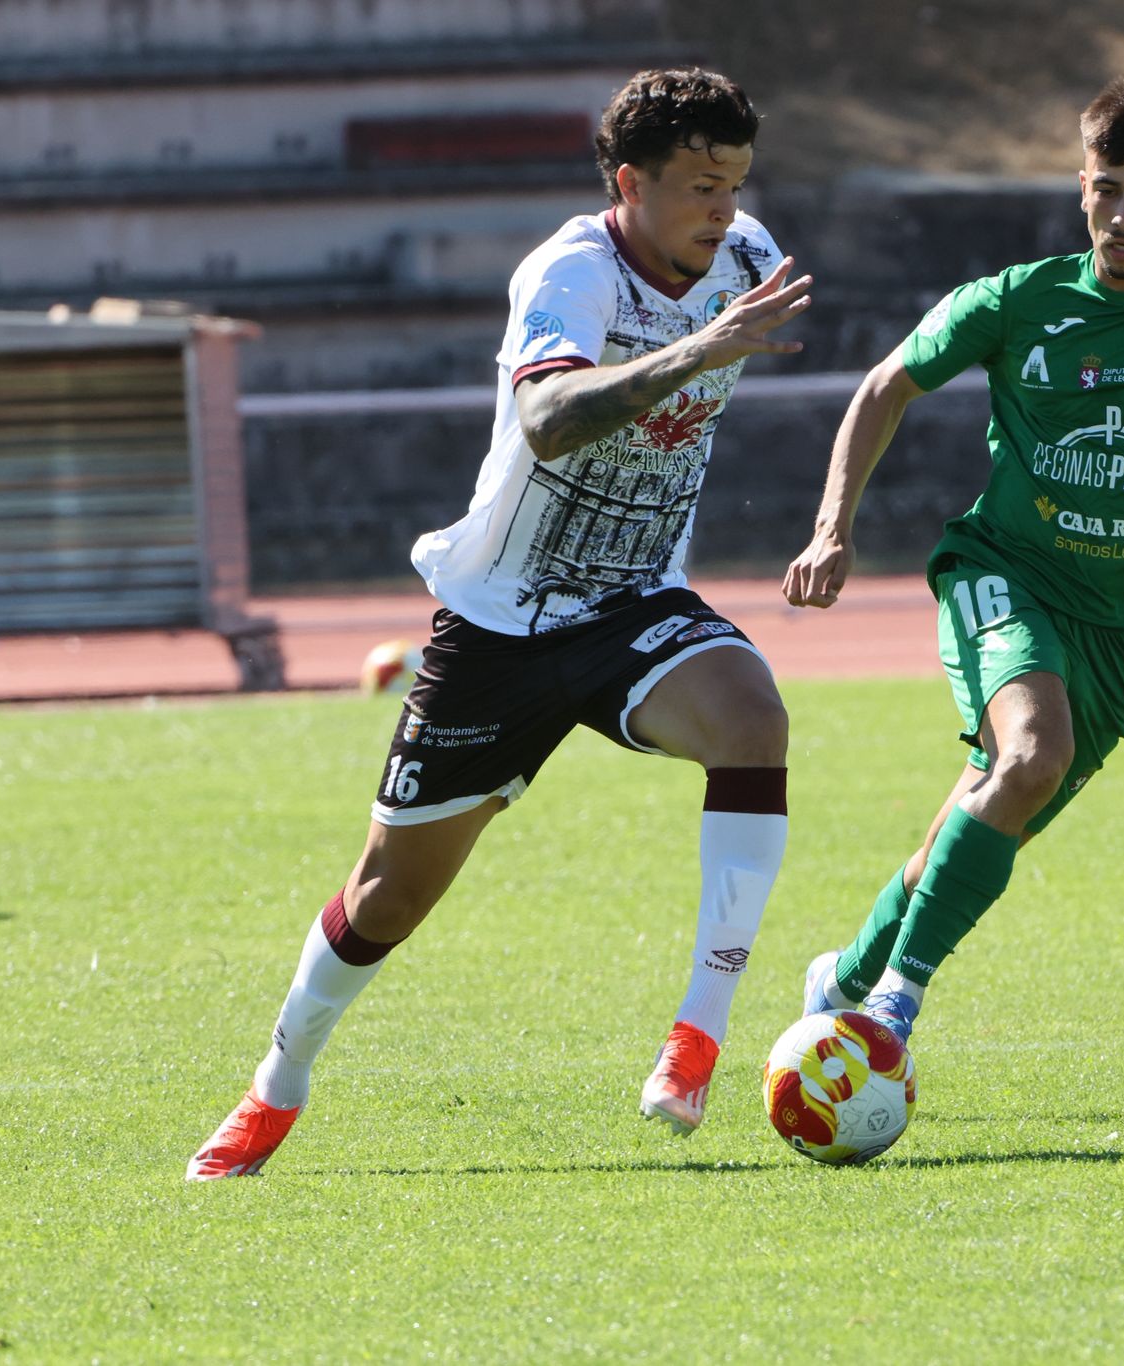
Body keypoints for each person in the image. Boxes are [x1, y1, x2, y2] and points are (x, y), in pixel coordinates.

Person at [188, 67, 814, 1179]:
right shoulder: (568, 271)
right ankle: (275, 1087)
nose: (723, 211)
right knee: (390, 893)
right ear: (629, 183)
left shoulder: (749, 259)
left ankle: (696, 1036)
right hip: (501, 622)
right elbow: (547, 417)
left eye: (734, 183)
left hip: (632, 602)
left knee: (751, 717)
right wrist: (698, 353)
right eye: (698, 186)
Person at [783, 76, 1124, 1044]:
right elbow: (883, 386)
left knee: (988, 807)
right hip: (1006, 572)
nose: (1120, 217)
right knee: (1033, 755)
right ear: (1081, 181)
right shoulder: (1019, 299)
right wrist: (832, 526)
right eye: (1105, 189)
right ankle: (890, 1011)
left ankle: (846, 973)